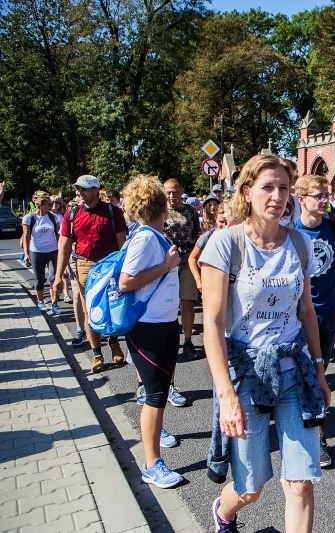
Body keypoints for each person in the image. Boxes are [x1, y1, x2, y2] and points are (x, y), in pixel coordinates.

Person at [200, 154, 330, 533]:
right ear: (247, 191)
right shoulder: (226, 244)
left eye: (284, 187)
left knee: (302, 483)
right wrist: (226, 397)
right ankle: (224, 511)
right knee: (251, 487)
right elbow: (213, 323)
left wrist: (319, 371)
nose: (277, 195)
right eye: (267, 187)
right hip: (246, 374)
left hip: (294, 370)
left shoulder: (300, 245)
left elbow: (307, 312)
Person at [116, 174, 184, 487]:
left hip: (165, 323)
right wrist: (166, 266)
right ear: (160, 206)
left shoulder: (154, 236)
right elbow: (126, 282)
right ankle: (151, 463)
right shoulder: (144, 238)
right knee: (156, 394)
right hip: (147, 327)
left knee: (158, 393)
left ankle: (155, 435)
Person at [294, 174, 335, 469]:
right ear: (301, 198)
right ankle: (316, 435)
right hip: (296, 316)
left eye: (326, 195)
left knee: (320, 373)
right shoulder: (290, 232)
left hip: (328, 313)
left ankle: (307, 422)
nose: (324, 200)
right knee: (306, 375)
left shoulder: (334, 228)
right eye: (318, 195)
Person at [54, 175, 127, 373]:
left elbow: (122, 245)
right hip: (85, 265)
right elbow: (64, 247)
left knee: (113, 306)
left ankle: (114, 342)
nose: (80, 192)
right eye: (78, 188)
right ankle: (97, 354)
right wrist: (58, 276)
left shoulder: (113, 212)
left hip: (110, 265)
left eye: (84, 189)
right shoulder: (72, 213)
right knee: (90, 310)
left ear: (96, 190)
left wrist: (124, 270)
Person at [162, 178, 201, 359]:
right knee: (167, 304)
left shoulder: (190, 211)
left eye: (175, 192)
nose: (172, 196)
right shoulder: (160, 211)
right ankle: (167, 341)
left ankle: (187, 341)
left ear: (181, 191)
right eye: (168, 192)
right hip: (166, 264)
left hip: (186, 262)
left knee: (187, 301)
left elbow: (196, 234)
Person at [22, 191, 61, 314]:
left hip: (52, 250)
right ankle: (40, 301)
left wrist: (61, 250)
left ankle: (54, 303)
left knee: (53, 277)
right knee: (40, 279)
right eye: (49, 204)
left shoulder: (52, 217)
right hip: (36, 251)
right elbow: (26, 236)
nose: (51, 207)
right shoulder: (29, 218)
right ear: (41, 204)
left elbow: (59, 235)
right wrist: (26, 253)